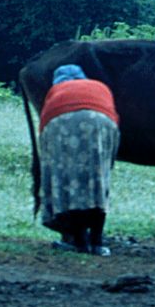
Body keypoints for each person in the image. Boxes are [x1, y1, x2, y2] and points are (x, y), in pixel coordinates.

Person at [38, 64, 120, 256]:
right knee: (97, 183)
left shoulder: (56, 91)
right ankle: (97, 243)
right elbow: (114, 118)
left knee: (68, 182)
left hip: (61, 122)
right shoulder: (99, 86)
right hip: (102, 121)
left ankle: (79, 242)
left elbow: (45, 124)